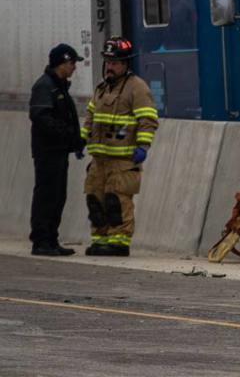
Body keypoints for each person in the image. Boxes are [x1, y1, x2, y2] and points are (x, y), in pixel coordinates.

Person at [81, 37, 158, 256]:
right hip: (99, 160)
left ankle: (119, 242)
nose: (110, 67)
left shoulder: (137, 88)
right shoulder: (102, 89)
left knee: (117, 202)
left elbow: (148, 119)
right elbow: (90, 116)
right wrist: (81, 140)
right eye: (107, 62)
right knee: (95, 200)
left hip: (123, 161)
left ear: (125, 64)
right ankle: (100, 239)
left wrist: (143, 146)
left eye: (114, 63)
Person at [29, 43, 85, 256]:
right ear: (62, 63)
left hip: (59, 150)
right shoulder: (45, 86)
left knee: (58, 196)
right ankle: (41, 241)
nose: (74, 68)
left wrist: (74, 141)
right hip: (48, 152)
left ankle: (51, 240)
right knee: (47, 196)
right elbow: (41, 117)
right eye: (72, 63)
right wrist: (66, 133)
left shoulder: (58, 86)